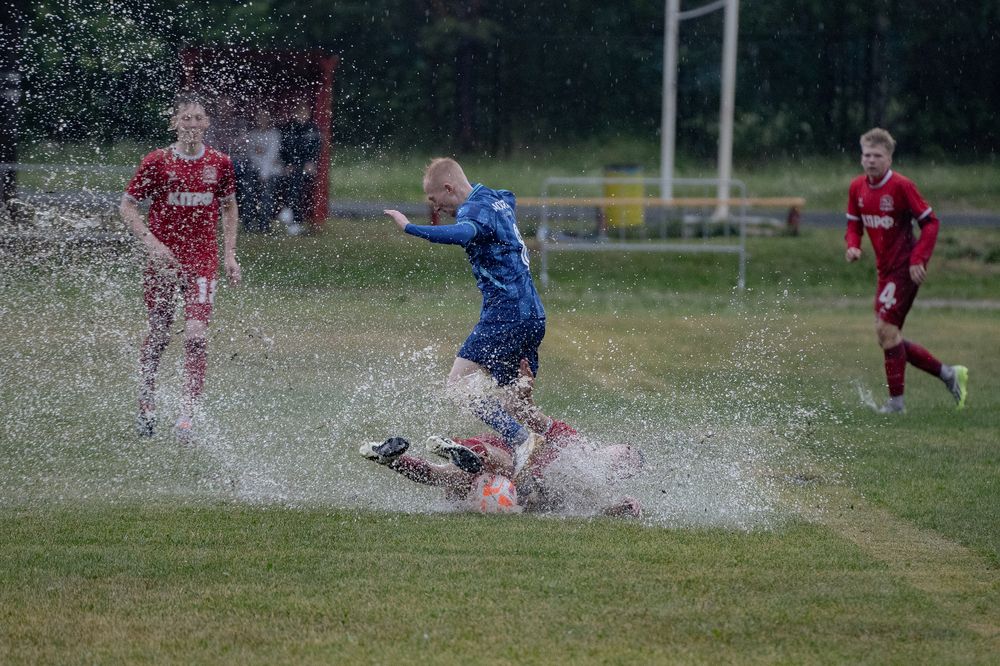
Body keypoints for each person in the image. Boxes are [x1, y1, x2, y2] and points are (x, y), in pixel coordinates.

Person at [384, 158, 547, 471]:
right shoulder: (496, 198)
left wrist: (409, 228)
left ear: (449, 188)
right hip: (533, 314)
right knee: (514, 401)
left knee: (458, 385)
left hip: (506, 314)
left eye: (435, 200)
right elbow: (508, 195)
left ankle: (522, 440)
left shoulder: (471, 211)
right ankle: (557, 462)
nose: (437, 208)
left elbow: (462, 232)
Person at [360, 360, 643, 517]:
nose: (624, 458)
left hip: (504, 493)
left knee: (444, 476)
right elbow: (531, 417)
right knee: (504, 462)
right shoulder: (573, 442)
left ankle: (390, 459)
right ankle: (466, 455)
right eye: (627, 451)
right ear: (612, 446)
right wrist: (522, 394)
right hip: (502, 454)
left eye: (627, 465)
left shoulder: (589, 488)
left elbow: (591, 509)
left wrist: (618, 508)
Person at [120, 90, 242, 441]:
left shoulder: (219, 163)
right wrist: (153, 245)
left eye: (197, 118)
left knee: (196, 337)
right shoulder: (157, 161)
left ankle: (187, 415)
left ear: (207, 123)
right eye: (184, 118)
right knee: (159, 334)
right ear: (174, 122)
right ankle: (146, 401)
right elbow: (127, 207)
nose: (191, 124)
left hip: (202, 260)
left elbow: (230, 208)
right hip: (163, 261)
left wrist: (230, 255)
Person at [845, 128, 968, 414]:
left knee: (887, 332)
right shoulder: (857, 188)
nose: (871, 160)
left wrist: (918, 259)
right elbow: (854, 225)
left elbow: (931, 222)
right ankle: (949, 374)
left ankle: (896, 405)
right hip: (884, 270)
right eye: (866, 155)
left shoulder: (901, 186)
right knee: (888, 336)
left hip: (905, 270)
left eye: (877, 155)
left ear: (889, 158)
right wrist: (853, 246)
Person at [278, 101, 321, 235]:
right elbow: (284, 149)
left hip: (305, 167)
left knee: (296, 186)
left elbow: (316, 148)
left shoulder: (313, 129)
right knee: (294, 184)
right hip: (292, 167)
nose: (302, 116)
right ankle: (295, 220)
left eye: (305, 113)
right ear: (294, 114)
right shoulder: (288, 128)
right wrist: (287, 164)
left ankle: (288, 211)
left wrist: (311, 162)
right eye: (299, 113)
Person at [245, 108, 283, 233]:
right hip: (255, 169)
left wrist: (264, 173)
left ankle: (264, 223)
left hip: (271, 171)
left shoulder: (274, 134)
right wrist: (260, 166)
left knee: (266, 195)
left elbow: (271, 155)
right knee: (248, 193)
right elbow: (251, 154)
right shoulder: (253, 135)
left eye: (264, 117)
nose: (262, 120)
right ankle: (248, 223)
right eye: (259, 117)